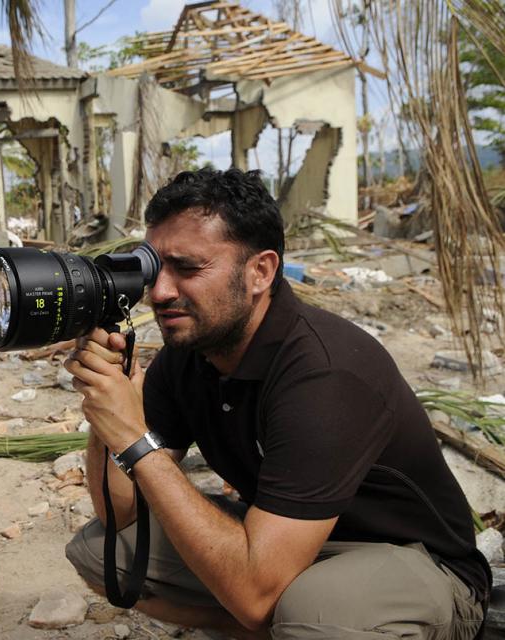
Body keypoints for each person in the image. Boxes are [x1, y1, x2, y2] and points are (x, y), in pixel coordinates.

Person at [64, 167, 491, 639]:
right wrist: (105, 409)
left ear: (260, 272)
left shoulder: (324, 375)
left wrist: (134, 438)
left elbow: (254, 596)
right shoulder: (191, 354)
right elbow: (121, 513)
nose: (160, 292)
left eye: (188, 268)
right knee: (104, 550)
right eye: (155, 267)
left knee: (311, 611)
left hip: (419, 568)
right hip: (289, 543)